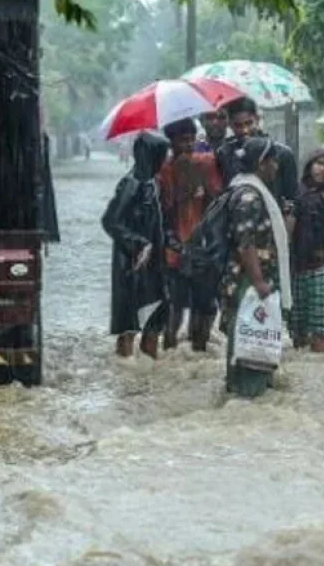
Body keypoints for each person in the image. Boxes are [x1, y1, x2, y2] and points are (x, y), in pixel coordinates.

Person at [220, 137, 292, 397]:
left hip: (250, 279)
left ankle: (241, 397)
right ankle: (248, 396)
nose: (276, 167)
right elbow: (245, 242)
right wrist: (259, 281)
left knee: (248, 342)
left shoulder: (244, 189)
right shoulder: (249, 196)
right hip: (248, 282)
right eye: (273, 161)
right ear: (262, 163)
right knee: (250, 342)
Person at [102, 132, 171, 359]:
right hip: (131, 264)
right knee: (129, 324)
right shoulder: (131, 184)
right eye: (161, 155)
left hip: (153, 263)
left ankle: (150, 369)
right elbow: (110, 221)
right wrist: (138, 244)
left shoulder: (151, 182)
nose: (164, 160)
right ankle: (125, 369)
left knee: (155, 317)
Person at [158, 118, 223, 351]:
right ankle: (169, 349)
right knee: (174, 306)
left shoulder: (206, 164)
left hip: (203, 248)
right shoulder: (163, 170)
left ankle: (199, 348)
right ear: (171, 142)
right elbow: (161, 210)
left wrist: (201, 185)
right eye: (183, 140)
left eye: (192, 140)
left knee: (205, 305)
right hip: (173, 250)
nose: (188, 145)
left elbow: (218, 198)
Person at [289, 146, 324, 352]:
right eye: (319, 163)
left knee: (321, 330)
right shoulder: (297, 192)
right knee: (298, 331)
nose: (322, 169)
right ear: (310, 164)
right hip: (298, 267)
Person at [216, 97, 299, 217]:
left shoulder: (282, 154)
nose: (245, 130)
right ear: (230, 125)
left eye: (249, 123)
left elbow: (292, 198)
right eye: (238, 125)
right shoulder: (225, 154)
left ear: (257, 119)